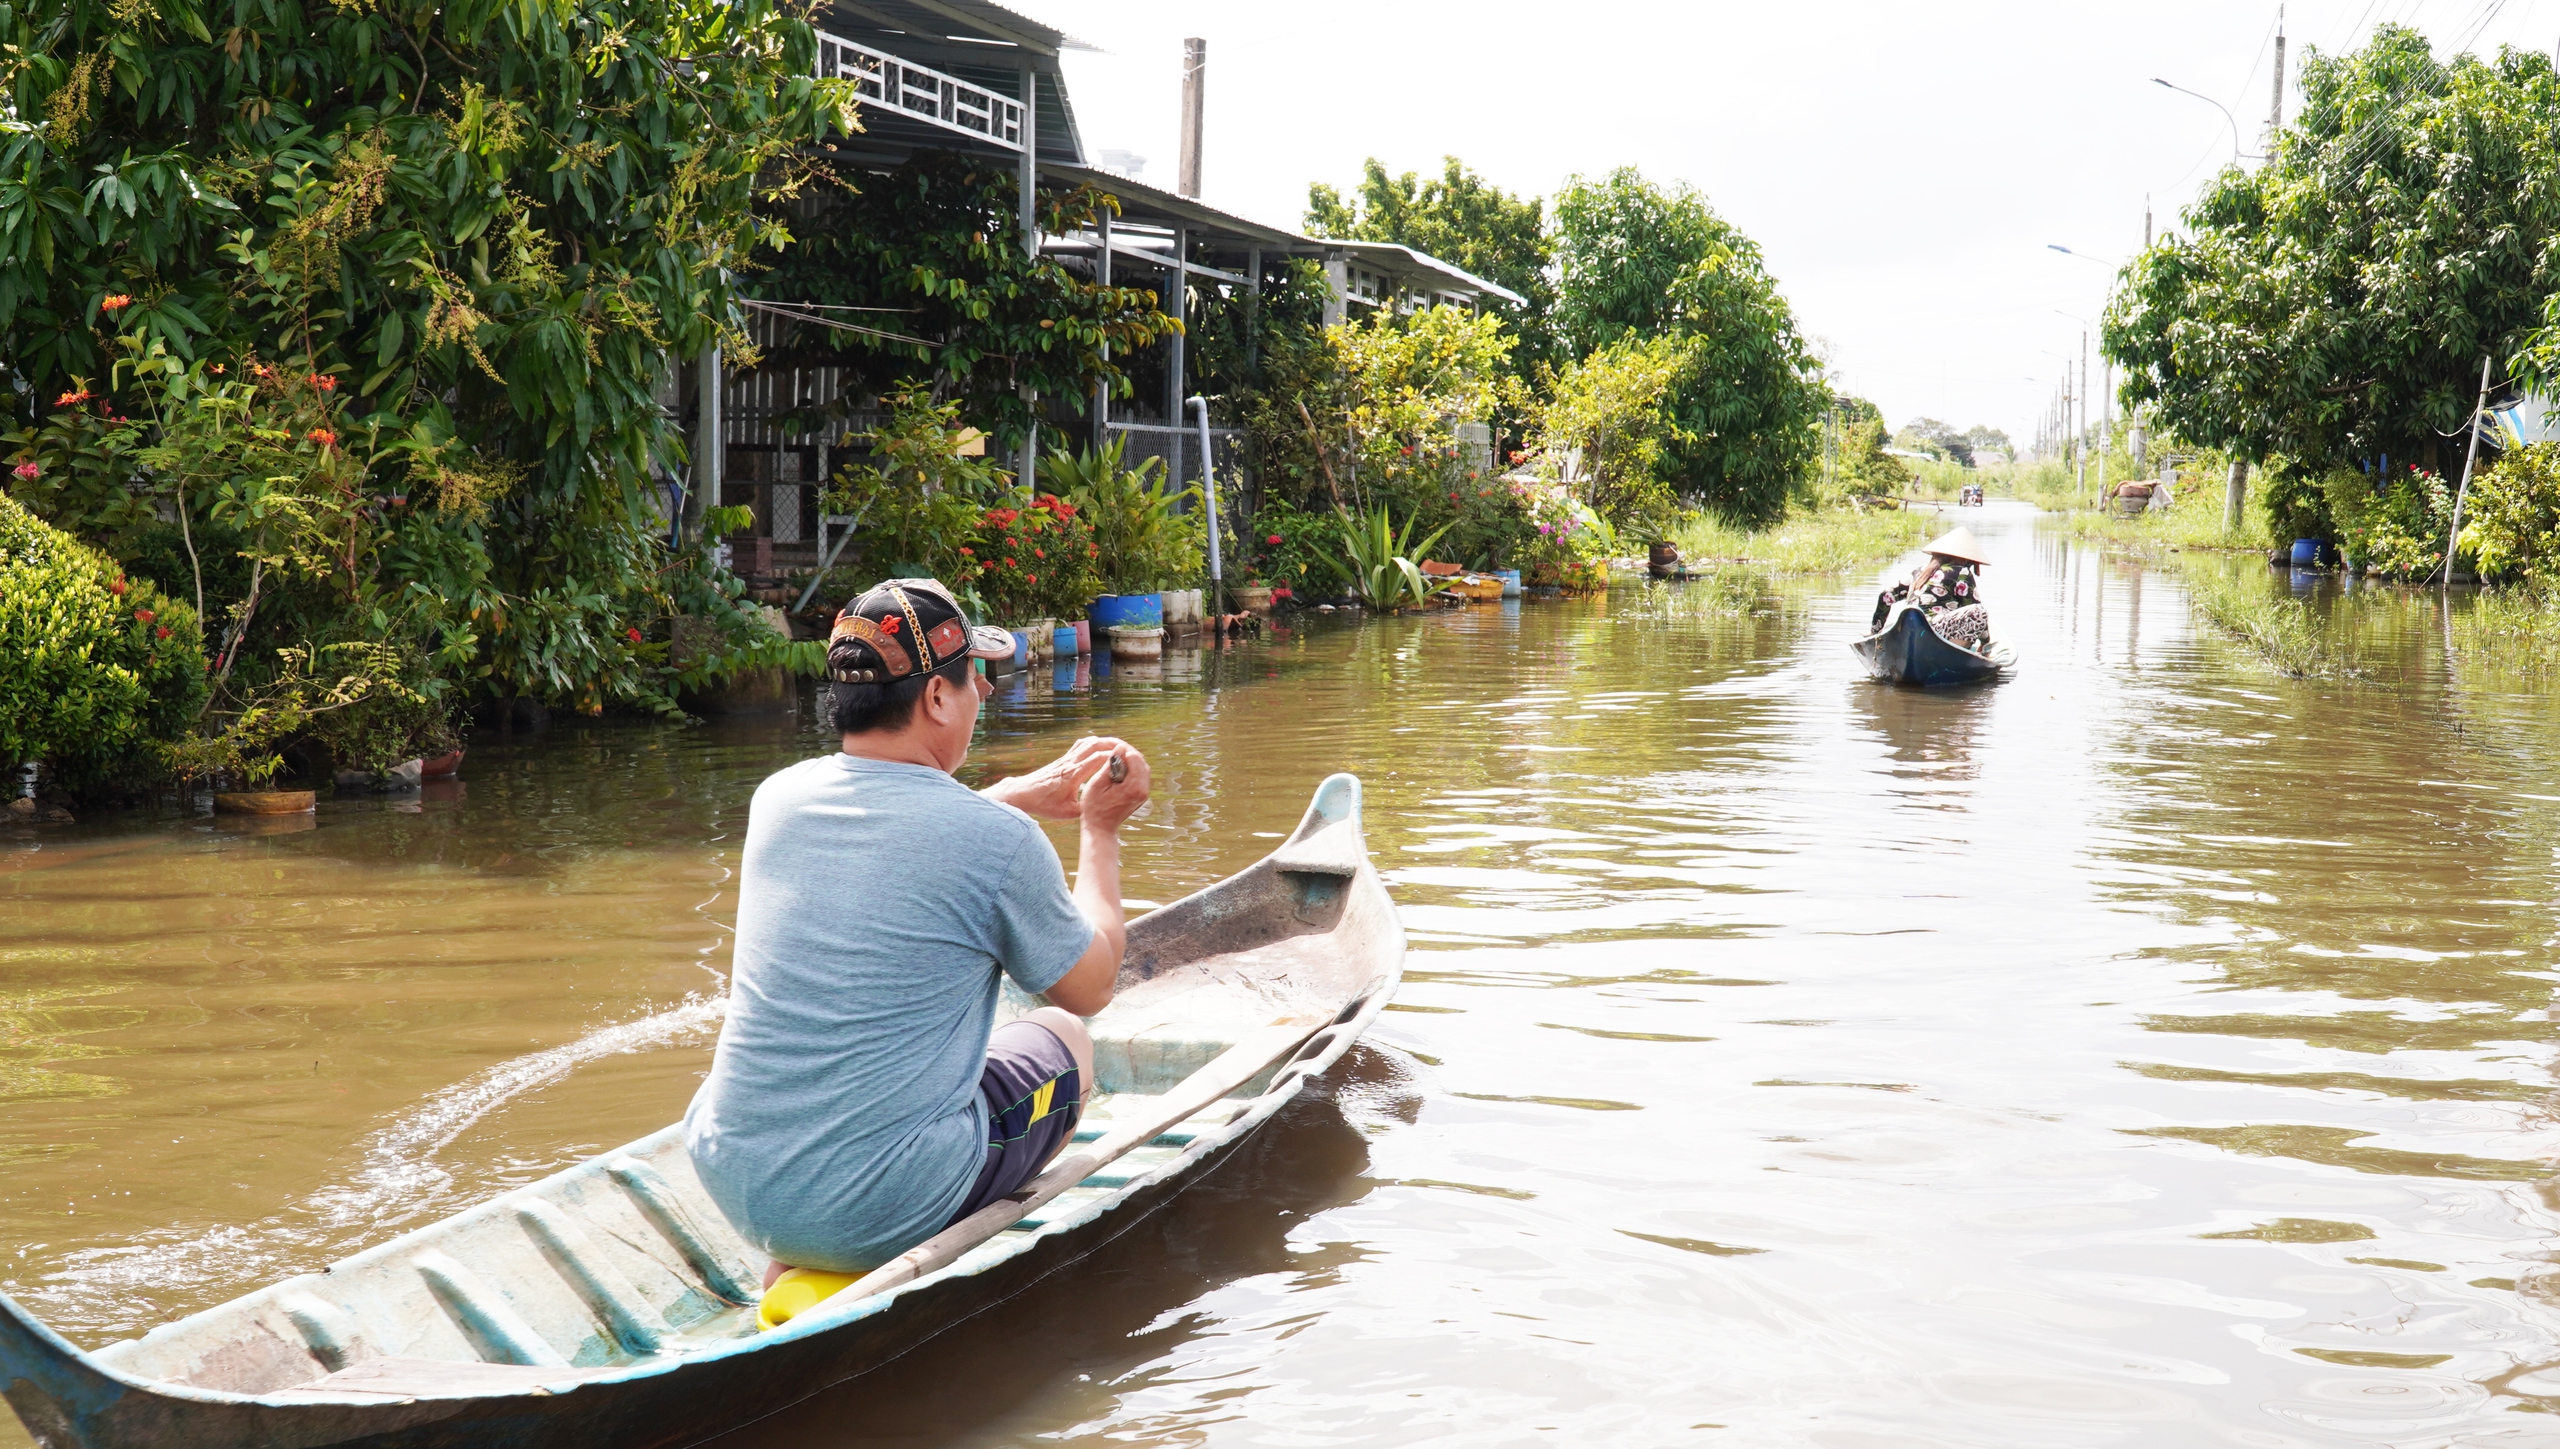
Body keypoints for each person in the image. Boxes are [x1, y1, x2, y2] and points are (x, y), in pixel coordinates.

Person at [682, 577, 1152, 1286]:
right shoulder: (997, 843)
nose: (984, 695)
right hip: (877, 1201)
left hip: (734, 1178)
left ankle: (804, 1241)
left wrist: (1013, 795)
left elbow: (897, 841)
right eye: (975, 680)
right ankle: (888, 1232)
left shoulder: (778, 798)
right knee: (1068, 1041)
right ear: (936, 697)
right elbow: (1092, 983)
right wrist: (1100, 829)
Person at [1870, 526, 1994, 652]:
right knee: (1979, 611)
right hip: (1934, 633)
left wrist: (1875, 631)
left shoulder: (1920, 571)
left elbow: (1886, 595)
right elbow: (1974, 609)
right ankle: (1951, 652)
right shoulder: (1962, 572)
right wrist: (1985, 642)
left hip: (1907, 630)